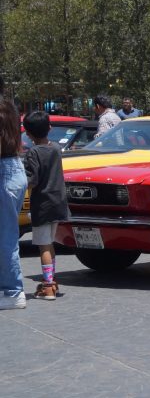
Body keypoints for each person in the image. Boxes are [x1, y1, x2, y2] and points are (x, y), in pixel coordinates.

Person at [21, 111, 69, 300]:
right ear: (50, 128)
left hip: (42, 204)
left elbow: (32, 180)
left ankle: (48, 286)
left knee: (44, 246)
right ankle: (52, 281)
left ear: (28, 133)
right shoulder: (56, 148)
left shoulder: (33, 152)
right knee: (50, 243)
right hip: (58, 202)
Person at [0, 99, 28, 310]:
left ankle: (12, 292)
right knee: (7, 234)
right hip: (14, 167)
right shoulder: (9, 107)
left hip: (4, 170)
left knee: (6, 236)